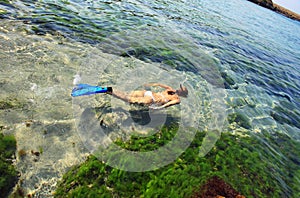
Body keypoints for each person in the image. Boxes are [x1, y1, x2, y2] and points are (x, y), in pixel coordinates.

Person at [107, 83, 188, 109]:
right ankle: (108, 90)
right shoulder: (170, 89)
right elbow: (158, 84)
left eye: (181, 89)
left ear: (182, 93)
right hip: (150, 95)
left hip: (151, 98)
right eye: (180, 88)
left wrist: (158, 108)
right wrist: (149, 85)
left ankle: (108, 90)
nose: (179, 88)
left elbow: (168, 104)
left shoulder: (177, 99)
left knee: (128, 98)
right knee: (127, 96)